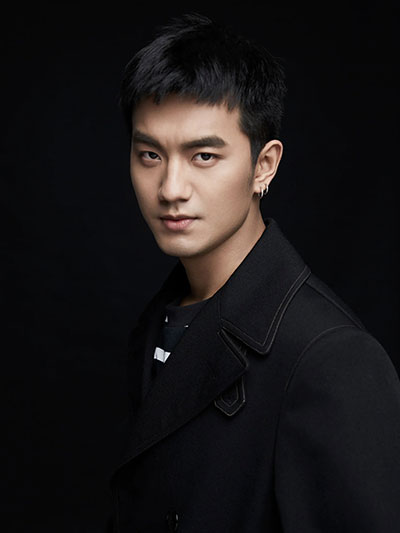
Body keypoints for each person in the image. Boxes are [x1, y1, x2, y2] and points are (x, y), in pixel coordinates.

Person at [107, 13, 400, 532]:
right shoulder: (157, 322)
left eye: (203, 156)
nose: (170, 189)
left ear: (264, 165)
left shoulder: (329, 359)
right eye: (150, 154)